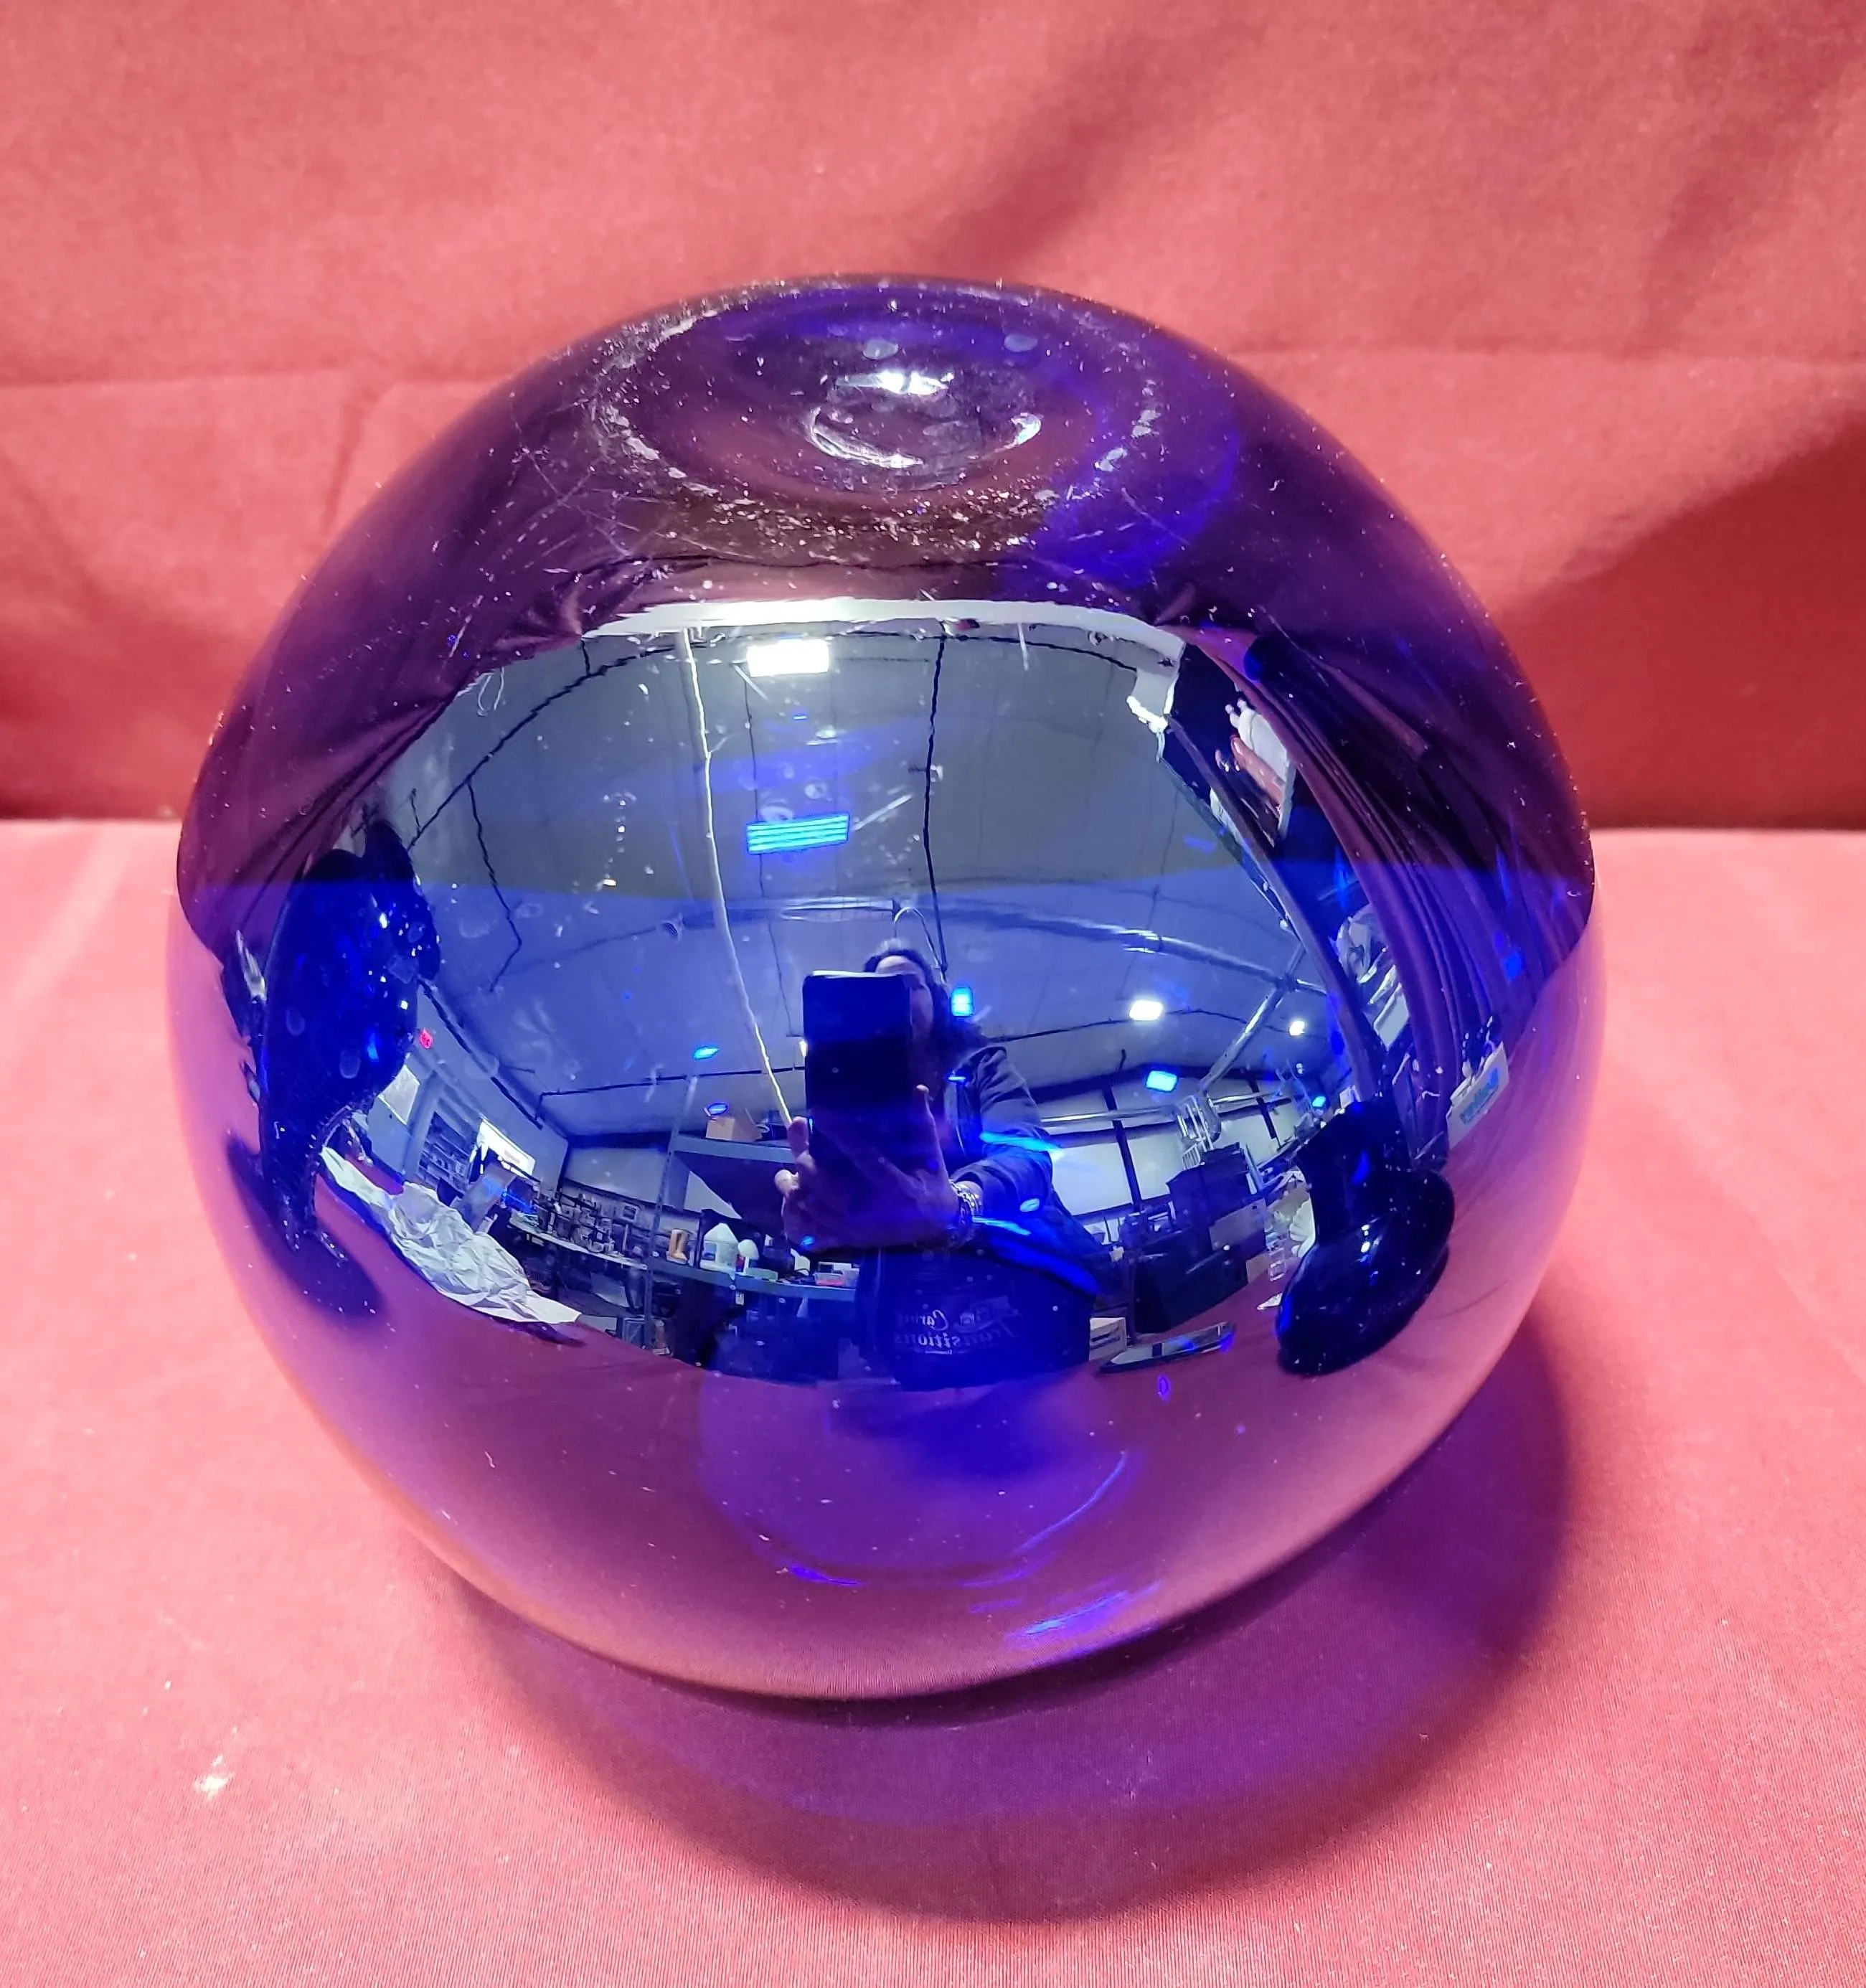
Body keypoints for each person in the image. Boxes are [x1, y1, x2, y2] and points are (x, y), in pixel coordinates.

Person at [775, 943, 1111, 1386]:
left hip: (1030, 1313)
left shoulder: (982, 1067)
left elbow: (1028, 1154)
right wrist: (818, 1225)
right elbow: (866, 1219)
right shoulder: (853, 1098)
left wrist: (961, 1202)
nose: (898, 995)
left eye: (909, 984)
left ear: (936, 998)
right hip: (913, 1339)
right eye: (882, 988)